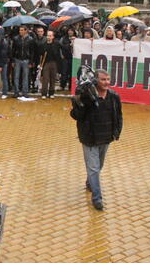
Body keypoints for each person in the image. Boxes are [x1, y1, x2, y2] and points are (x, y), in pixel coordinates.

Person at [70, 69, 123, 211]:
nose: (107, 82)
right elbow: (76, 116)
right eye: (103, 80)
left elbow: (118, 116)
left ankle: (90, 182)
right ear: (95, 81)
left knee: (98, 167)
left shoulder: (114, 97)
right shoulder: (87, 97)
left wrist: (117, 132)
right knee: (93, 168)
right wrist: (80, 102)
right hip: (90, 138)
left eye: (108, 79)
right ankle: (97, 198)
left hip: (106, 138)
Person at [11, 25, 34, 99]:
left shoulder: (30, 39)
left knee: (25, 77)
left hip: (26, 60)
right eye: (20, 30)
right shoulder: (16, 39)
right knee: (16, 76)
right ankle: (16, 92)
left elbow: (32, 52)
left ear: (25, 31)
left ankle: (25, 92)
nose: (20, 31)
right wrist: (13, 60)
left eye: (21, 30)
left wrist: (31, 62)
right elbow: (13, 50)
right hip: (17, 59)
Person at [40, 30, 62, 99]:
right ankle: (44, 93)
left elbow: (58, 54)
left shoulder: (56, 44)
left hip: (54, 63)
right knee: (45, 79)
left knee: (53, 79)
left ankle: (51, 93)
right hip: (46, 63)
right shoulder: (44, 44)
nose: (48, 37)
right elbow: (41, 54)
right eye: (47, 36)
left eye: (50, 36)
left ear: (53, 37)